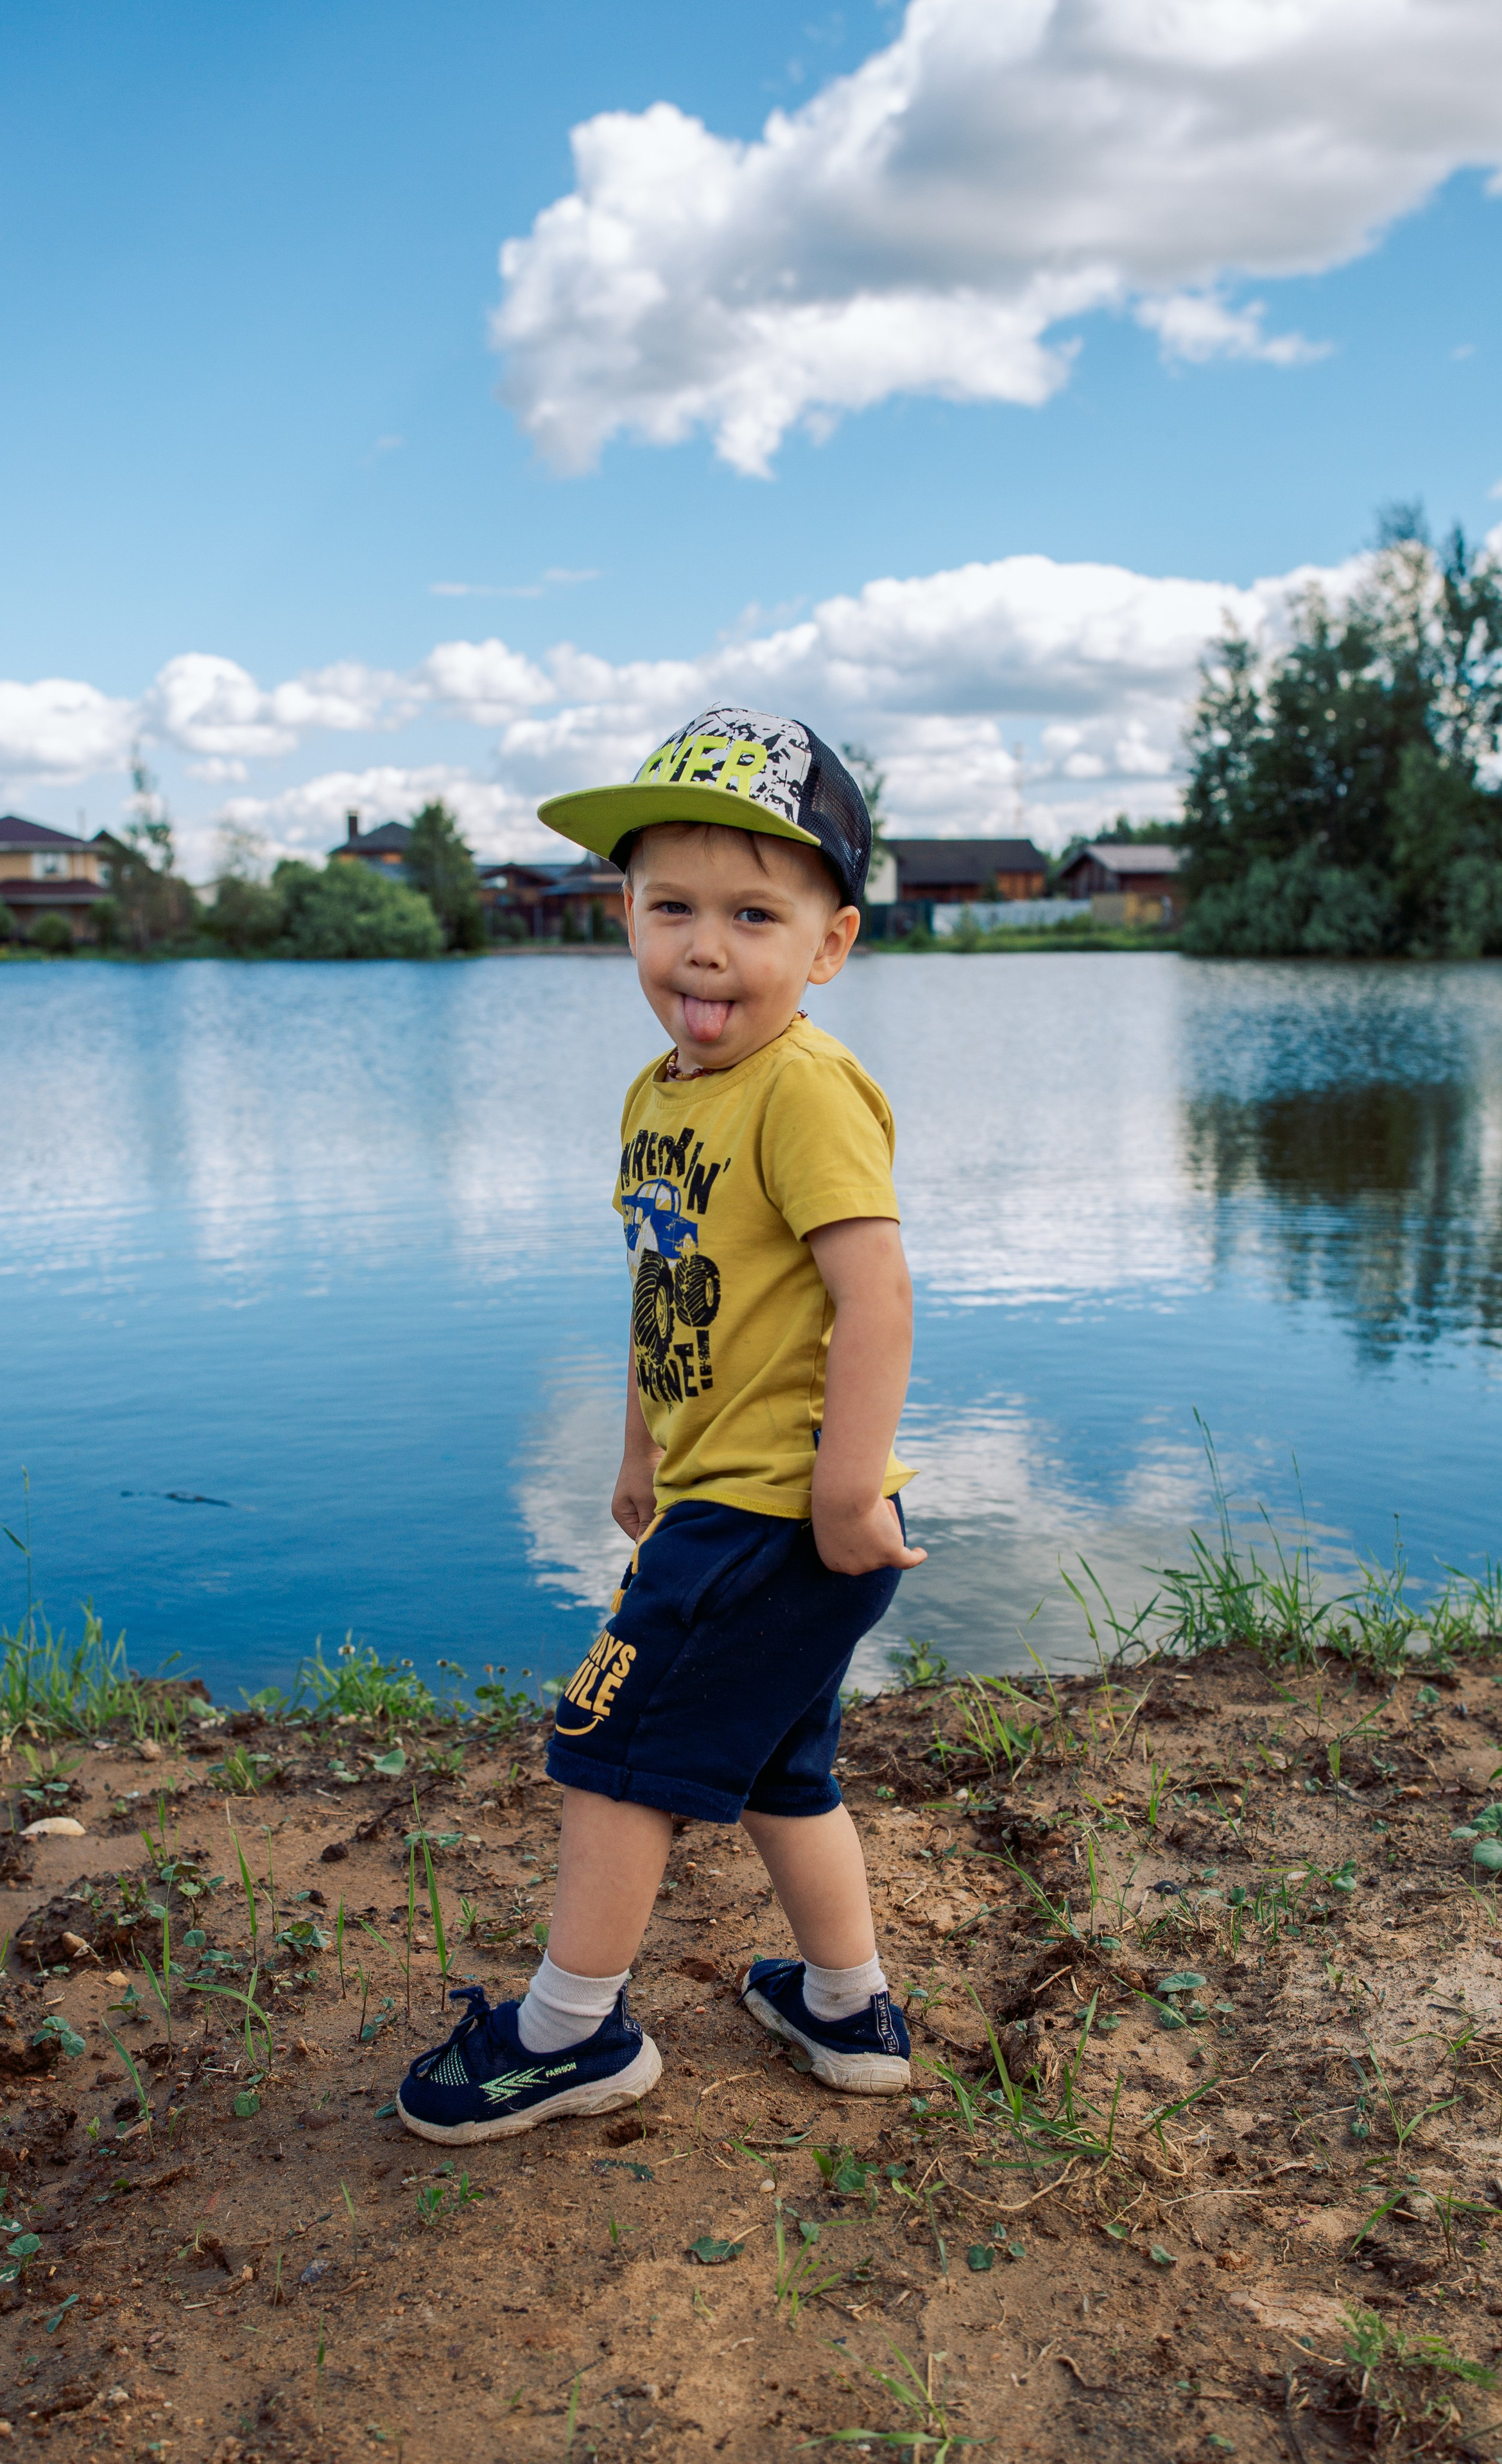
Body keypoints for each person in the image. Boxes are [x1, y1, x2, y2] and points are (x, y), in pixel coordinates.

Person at [397, 705, 926, 2145]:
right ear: (620, 916)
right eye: (669, 907)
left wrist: (837, 1496)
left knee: (607, 1750)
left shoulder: (804, 1093)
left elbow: (874, 1301)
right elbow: (664, 1284)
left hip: (777, 1513)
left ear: (827, 946)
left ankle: (569, 2033)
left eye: (754, 914)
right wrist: (638, 1449)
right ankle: (844, 2003)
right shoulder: (661, 1090)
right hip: (716, 1492)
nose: (704, 947)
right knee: (778, 1768)